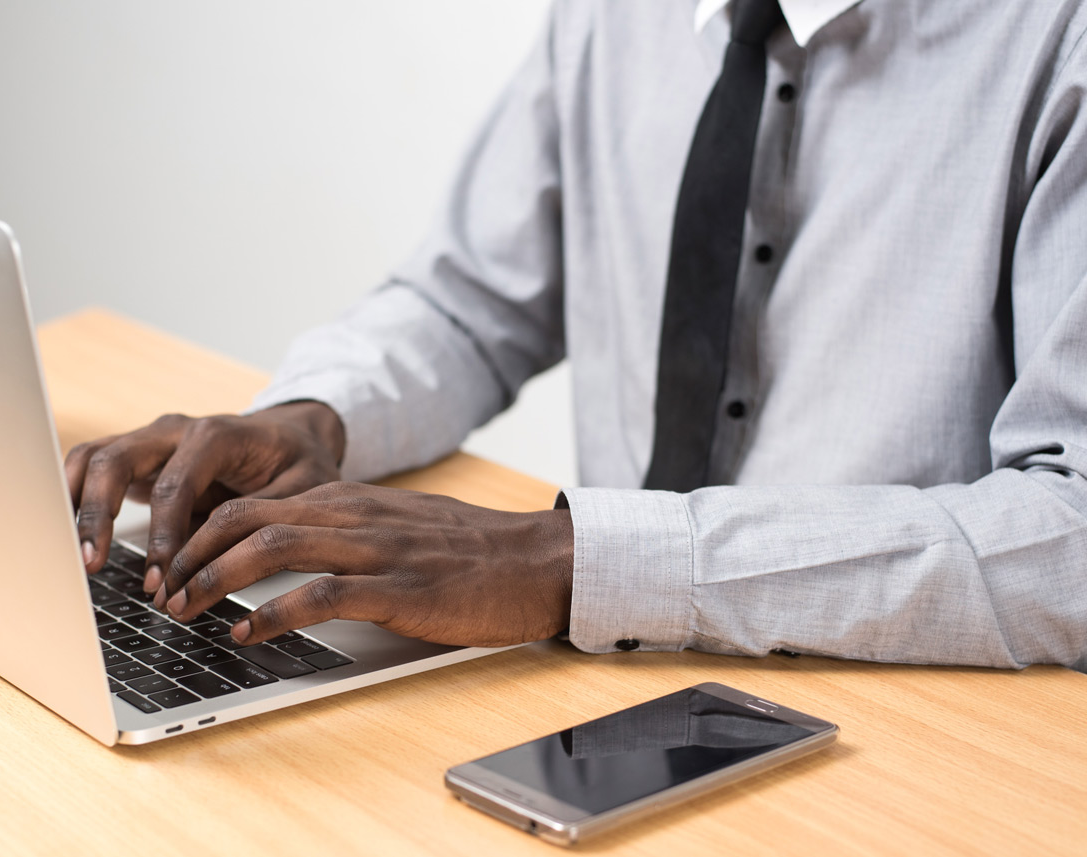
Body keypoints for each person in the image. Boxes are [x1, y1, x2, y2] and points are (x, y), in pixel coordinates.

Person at [68, 0, 1087, 671]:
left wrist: (576, 557)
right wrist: (319, 418)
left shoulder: (1057, 38)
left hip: (906, 703)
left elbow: (1073, 531)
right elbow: (471, 298)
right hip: (602, 670)